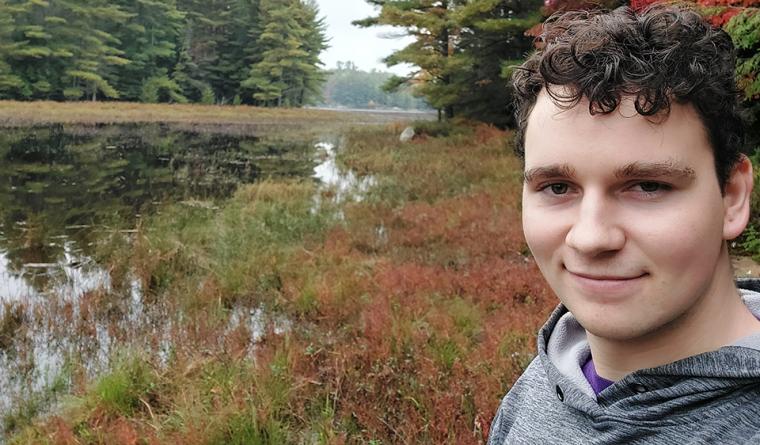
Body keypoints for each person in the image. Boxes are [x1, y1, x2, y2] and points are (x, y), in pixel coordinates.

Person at [488, 4, 760, 444]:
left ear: (732, 196)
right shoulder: (542, 383)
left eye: (648, 186)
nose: (591, 238)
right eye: (557, 187)